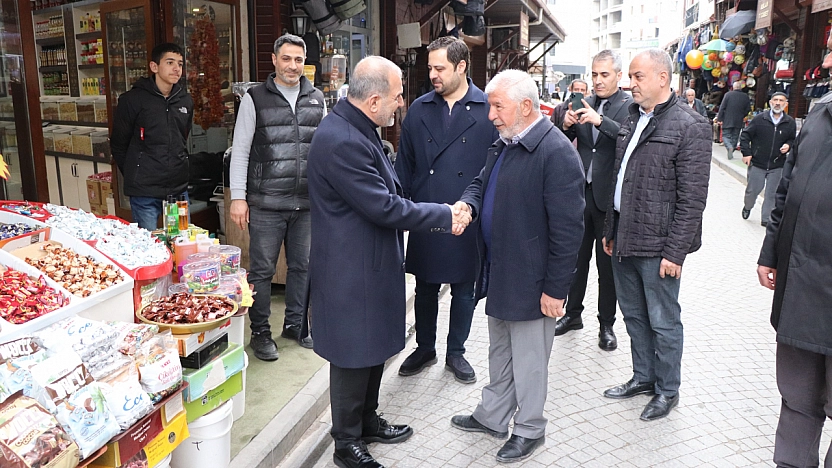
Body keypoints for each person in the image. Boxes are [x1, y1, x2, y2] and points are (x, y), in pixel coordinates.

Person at [307, 56, 471, 468]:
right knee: (352, 354)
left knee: (373, 345)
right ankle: (345, 442)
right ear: (374, 98)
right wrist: (444, 215)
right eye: (397, 97)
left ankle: (366, 421)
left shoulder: (357, 127)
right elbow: (384, 206)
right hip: (350, 270)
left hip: (370, 263)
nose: (401, 105)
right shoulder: (342, 139)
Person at [450, 69, 585, 463]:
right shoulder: (506, 141)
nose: (490, 115)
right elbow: (480, 182)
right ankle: (493, 416)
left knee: (530, 362)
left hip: (533, 278)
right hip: (501, 268)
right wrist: (468, 204)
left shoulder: (556, 153)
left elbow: (568, 231)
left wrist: (556, 289)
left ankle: (529, 429)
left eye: (497, 106)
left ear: (526, 107)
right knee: (501, 352)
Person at [601, 49, 711, 421]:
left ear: (662, 78)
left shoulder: (691, 126)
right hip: (624, 238)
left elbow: (692, 198)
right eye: (630, 77)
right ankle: (643, 377)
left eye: (637, 77)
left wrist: (675, 253)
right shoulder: (633, 119)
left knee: (663, 321)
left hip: (659, 247)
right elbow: (620, 179)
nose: (630, 84)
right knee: (633, 315)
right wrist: (610, 229)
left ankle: (667, 390)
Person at [394, 36, 498, 384]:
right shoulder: (420, 108)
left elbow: (495, 166)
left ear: (461, 66)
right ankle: (425, 347)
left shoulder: (487, 109)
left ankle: (457, 351)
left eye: (440, 68)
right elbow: (404, 163)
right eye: (430, 68)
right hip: (426, 209)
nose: (433, 75)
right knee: (424, 286)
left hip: (468, 211)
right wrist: (401, 206)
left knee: (463, 288)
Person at [757, 33, 832, 468]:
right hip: (802, 288)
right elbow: (785, 191)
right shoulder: (818, 118)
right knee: (799, 398)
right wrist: (770, 252)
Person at [229, 34, 325, 361]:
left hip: (307, 203)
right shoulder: (254, 98)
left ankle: (296, 327)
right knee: (261, 272)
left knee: (303, 267)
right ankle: (260, 334)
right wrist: (238, 198)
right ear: (274, 59)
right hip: (267, 202)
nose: (293, 66)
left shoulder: (317, 99)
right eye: (286, 58)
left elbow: (323, 150)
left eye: (299, 60)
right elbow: (241, 152)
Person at [557, 50, 632, 350]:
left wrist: (600, 121)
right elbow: (565, 142)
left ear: (618, 75)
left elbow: (627, 138)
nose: (598, 81)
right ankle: (572, 314)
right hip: (579, 194)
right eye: (594, 75)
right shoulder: (582, 101)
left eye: (604, 75)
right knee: (575, 261)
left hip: (608, 198)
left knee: (606, 267)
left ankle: (606, 325)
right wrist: (566, 125)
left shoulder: (629, 106)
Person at [111, 43, 193, 231]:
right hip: (145, 192)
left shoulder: (185, 100)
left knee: (181, 243)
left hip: (177, 190)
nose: (176, 69)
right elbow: (118, 144)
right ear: (154, 67)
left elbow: (182, 138)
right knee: (149, 245)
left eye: (180, 64)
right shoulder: (133, 100)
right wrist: (137, 171)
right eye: (170, 62)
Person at [739, 92, 795, 228]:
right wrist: (747, 153)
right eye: (775, 100)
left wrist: (788, 145)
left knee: (772, 193)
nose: (777, 103)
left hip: (777, 164)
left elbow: (793, 139)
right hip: (758, 162)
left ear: (785, 104)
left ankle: (766, 218)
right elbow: (745, 136)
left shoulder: (789, 122)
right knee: (753, 190)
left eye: (781, 100)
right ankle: (748, 206)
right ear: (770, 102)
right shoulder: (759, 119)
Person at [715, 81, 750, 159]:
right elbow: (748, 109)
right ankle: (732, 148)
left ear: (733, 87)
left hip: (727, 119)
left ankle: (729, 147)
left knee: (725, 135)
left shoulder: (728, 95)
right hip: (739, 120)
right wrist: (742, 115)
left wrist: (720, 118)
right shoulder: (745, 96)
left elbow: (722, 107)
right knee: (735, 136)